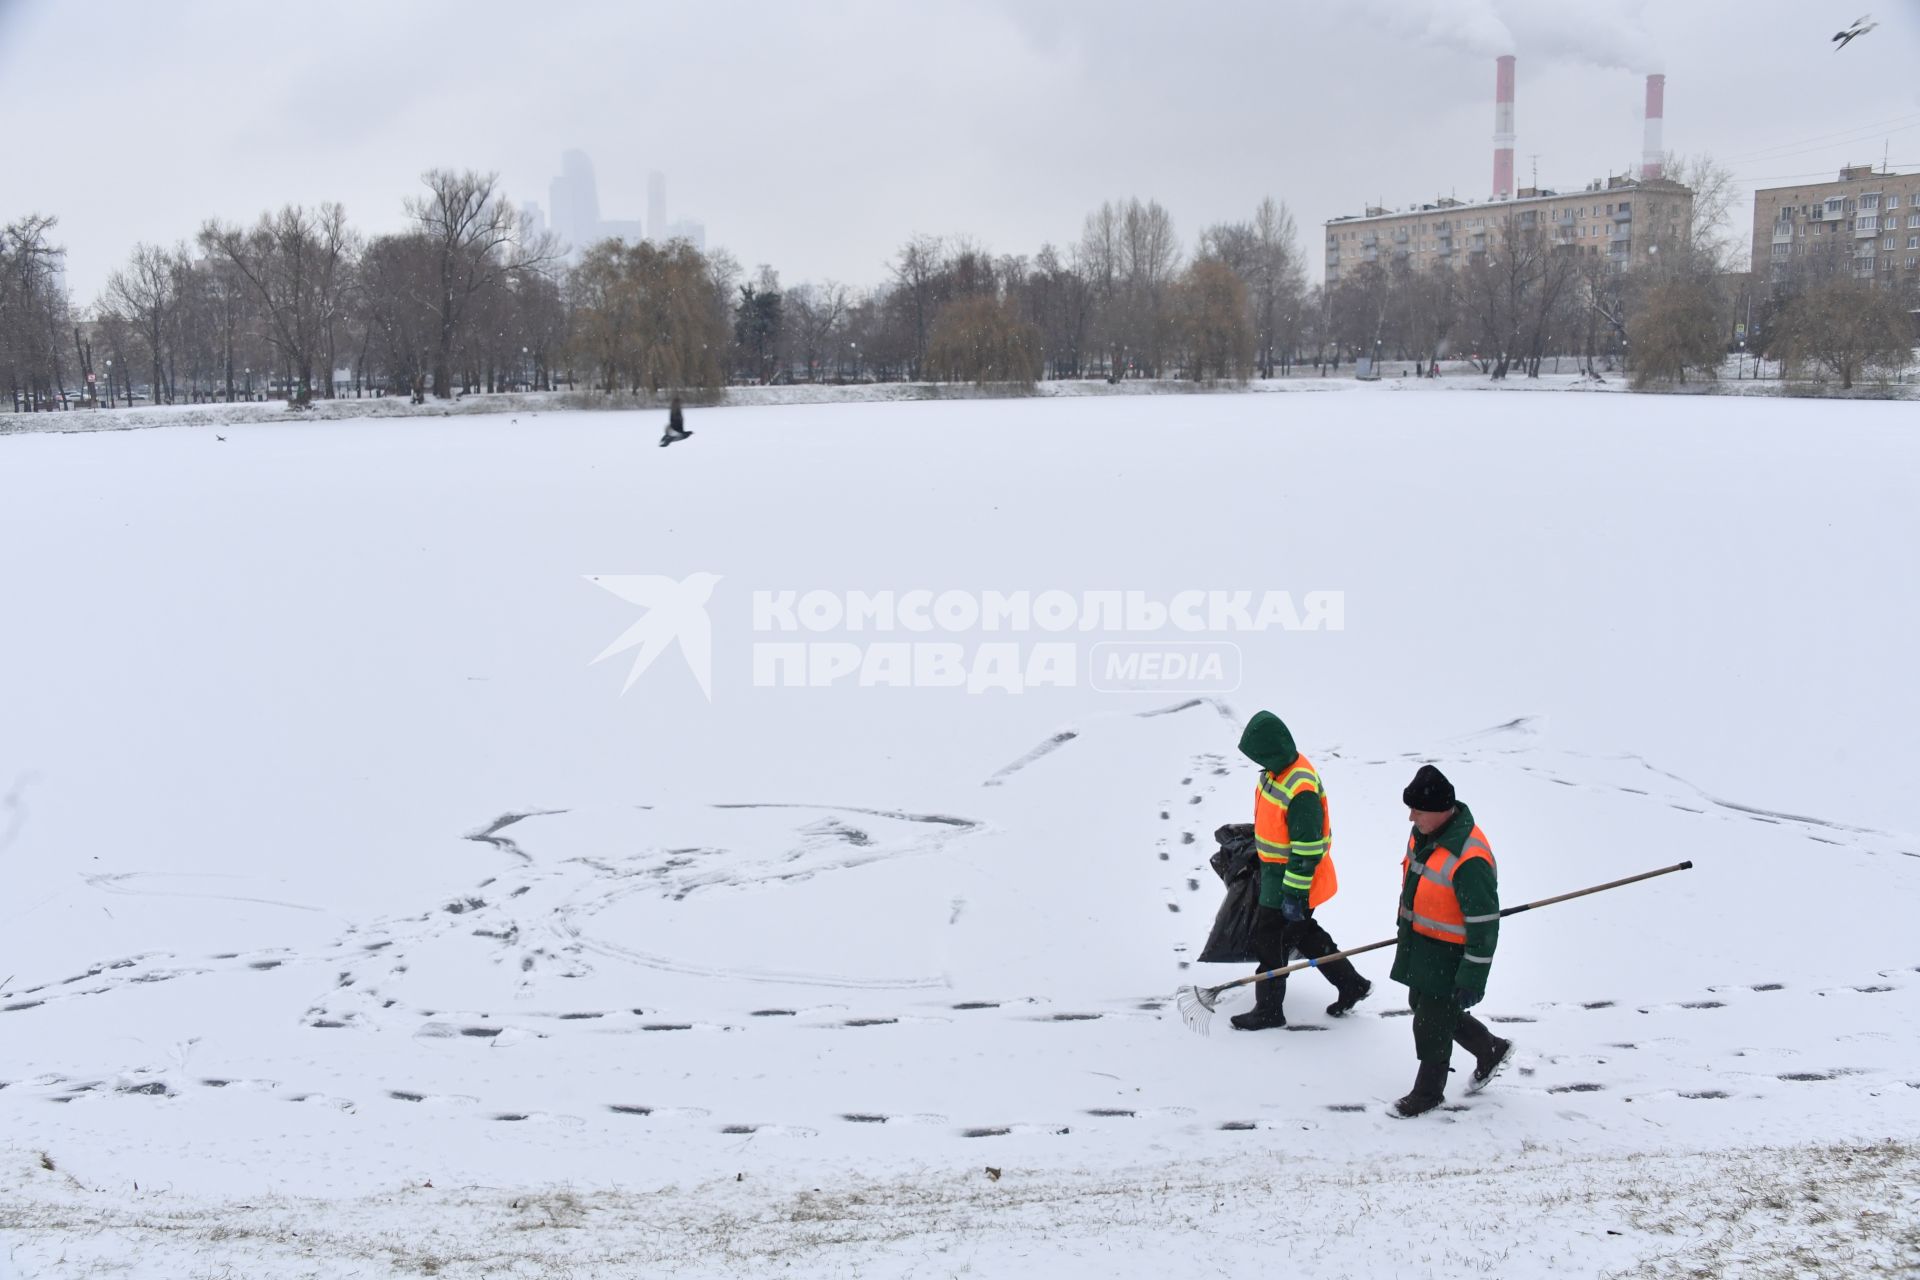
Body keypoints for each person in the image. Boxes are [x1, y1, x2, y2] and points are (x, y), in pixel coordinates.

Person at [1228, 711, 1372, 1030]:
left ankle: (1268, 1010)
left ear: (1272, 750)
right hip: (1275, 874)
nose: (1257, 763)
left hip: (1295, 879)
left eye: (1260, 755)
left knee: (1271, 941)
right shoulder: (1276, 770)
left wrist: (1294, 894)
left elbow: (1306, 850)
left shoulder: (1300, 787)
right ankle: (1352, 983)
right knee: (1303, 933)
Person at [1388, 765, 1514, 1117]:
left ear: (1442, 810)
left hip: (1451, 952)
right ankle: (1489, 1048)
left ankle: (1428, 1092)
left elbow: (1484, 925)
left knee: (1430, 1019)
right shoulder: (1422, 834)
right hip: (1423, 943)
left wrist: (1473, 976)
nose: (1412, 817)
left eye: (1418, 810)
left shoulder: (1469, 858)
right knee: (1425, 1005)